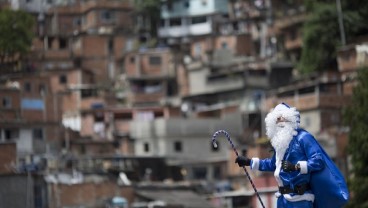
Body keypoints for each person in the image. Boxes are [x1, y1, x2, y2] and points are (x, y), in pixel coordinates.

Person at [235, 102, 349, 208]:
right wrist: (249, 162)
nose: (280, 121)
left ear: (291, 118)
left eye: (282, 117)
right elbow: (273, 164)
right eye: (277, 119)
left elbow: (318, 160)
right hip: (282, 199)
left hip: (301, 199)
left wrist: (296, 167)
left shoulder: (304, 138)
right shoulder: (280, 144)